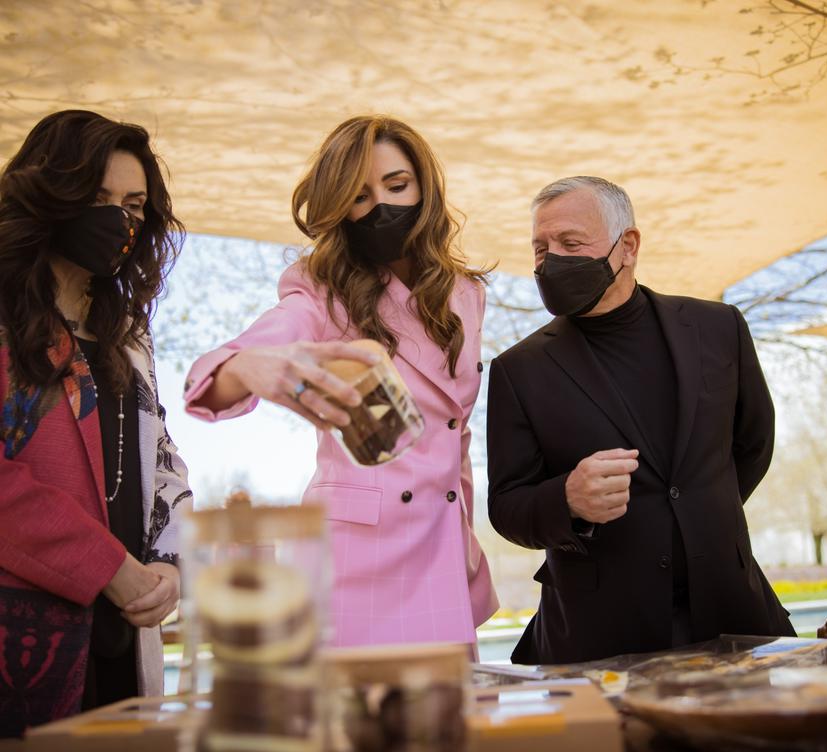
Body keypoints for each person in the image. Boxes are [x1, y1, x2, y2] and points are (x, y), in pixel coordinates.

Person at [184, 115, 499, 649]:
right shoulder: (320, 289)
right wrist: (245, 368)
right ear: (340, 209)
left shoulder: (465, 294)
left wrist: (465, 541)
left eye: (397, 185)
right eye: (359, 196)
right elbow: (221, 373)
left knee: (447, 728)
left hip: (443, 547)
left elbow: (455, 431)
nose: (380, 206)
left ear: (425, 187)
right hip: (358, 560)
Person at [487, 176, 794, 665]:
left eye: (570, 243)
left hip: (734, 615)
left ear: (627, 246)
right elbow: (506, 507)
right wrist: (567, 499)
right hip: (597, 635)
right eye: (541, 249)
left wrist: (699, 517)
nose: (552, 261)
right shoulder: (517, 370)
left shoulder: (720, 328)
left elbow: (752, 445)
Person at [0, 110, 192, 736]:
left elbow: (161, 454)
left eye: (135, 204)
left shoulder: (128, 334)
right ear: (49, 193)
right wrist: (109, 567)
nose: (119, 220)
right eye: (98, 197)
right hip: (23, 642)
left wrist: (169, 563)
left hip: (121, 637)